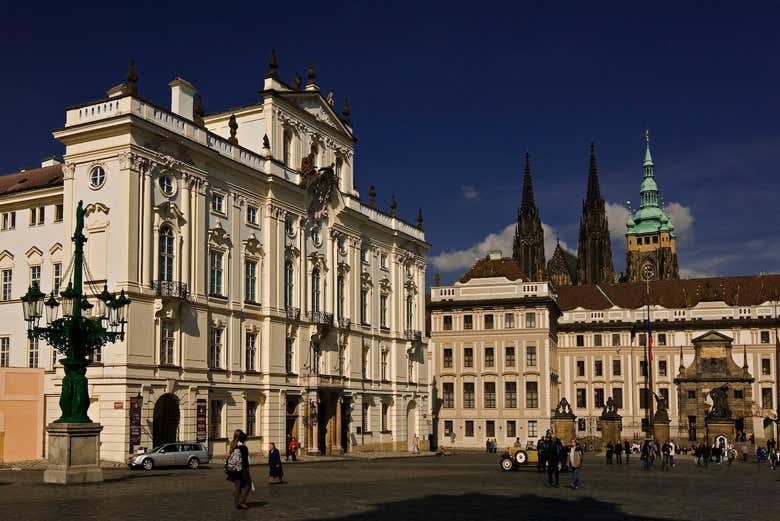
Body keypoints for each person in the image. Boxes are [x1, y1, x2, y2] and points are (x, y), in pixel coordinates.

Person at [226, 430, 252, 510]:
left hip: (235, 470)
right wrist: (247, 470)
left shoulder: (233, 445)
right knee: (248, 484)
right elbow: (245, 461)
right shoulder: (244, 448)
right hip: (242, 468)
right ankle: (242, 501)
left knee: (238, 485)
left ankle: (236, 503)